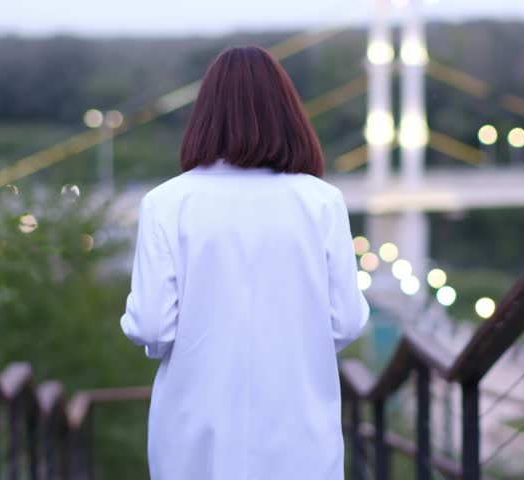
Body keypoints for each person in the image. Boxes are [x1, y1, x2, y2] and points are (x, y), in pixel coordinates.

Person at [120, 46, 369, 480]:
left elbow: (152, 327)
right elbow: (346, 322)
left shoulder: (166, 203)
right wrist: (295, 342)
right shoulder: (322, 202)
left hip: (195, 436)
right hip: (301, 433)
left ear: (205, 115)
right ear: (287, 113)